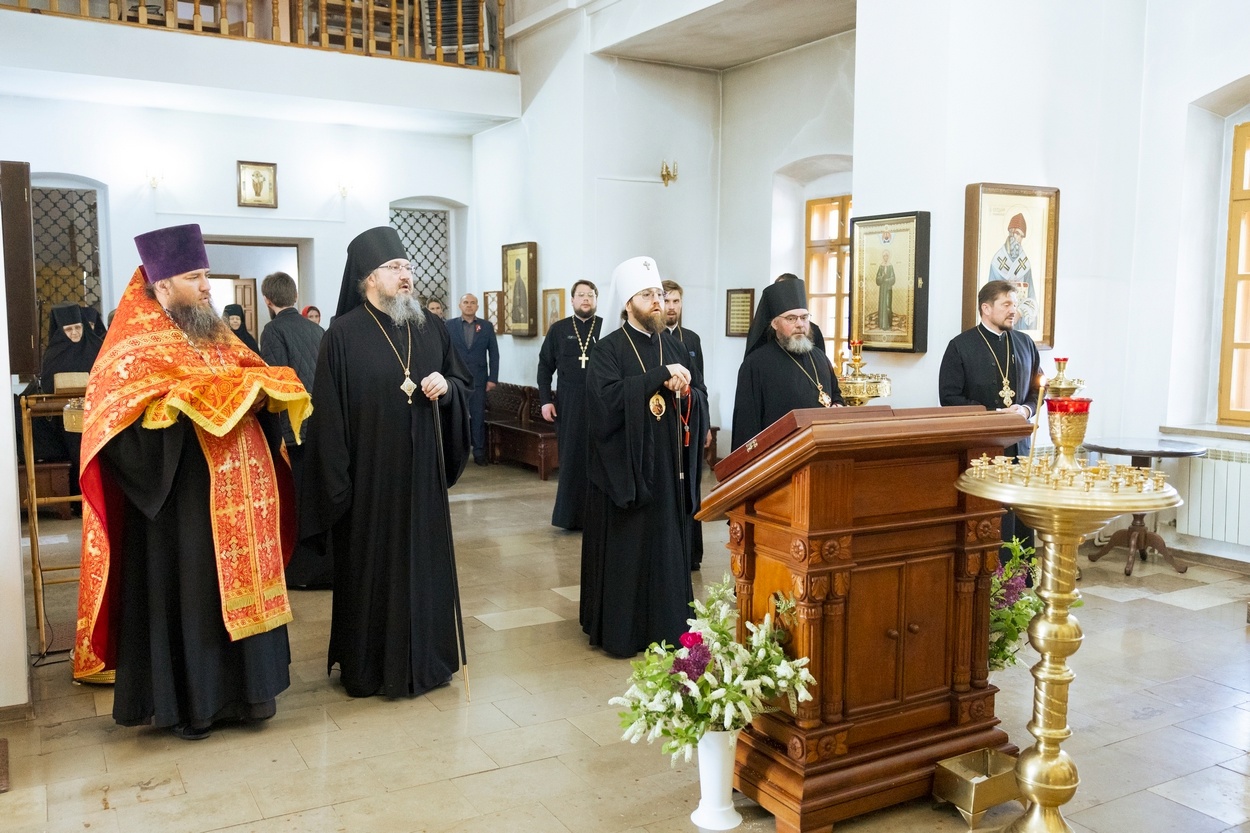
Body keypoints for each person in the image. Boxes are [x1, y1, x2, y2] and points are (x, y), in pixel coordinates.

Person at [72, 223, 311, 740]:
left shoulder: (214, 332)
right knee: (194, 596)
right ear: (162, 285)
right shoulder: (130, 348)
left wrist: (263, 396)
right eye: (194, 277)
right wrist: (179, 411)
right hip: (183, 503)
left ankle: (251, 697)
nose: (207, 286)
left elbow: (248, 375)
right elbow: (113, 425)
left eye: (206, 275)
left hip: (243, 494)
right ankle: (196, 705)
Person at [301, 226, 472, 698]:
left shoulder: (432, 328)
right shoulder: (341, 335)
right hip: (370, 486)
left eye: (408, 267)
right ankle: (369, 667)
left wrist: (448, 389)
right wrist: (339, 489)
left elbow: (462, 382)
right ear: (369, 278)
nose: (406, 275)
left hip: (423, 482)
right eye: (395, 268)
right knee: (373, 576)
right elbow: (328, 420)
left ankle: (430, 662)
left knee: (425, 571)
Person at [580, 256, 709, 658]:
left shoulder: (675, 345)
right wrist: (657, 377)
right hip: (627, 470)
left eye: (659, 294)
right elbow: (604, 403)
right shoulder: (608, 349)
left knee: (666, 548)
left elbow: (699, 398)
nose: (657, 302)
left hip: (667, 467)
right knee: (630, 550)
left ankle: (667, 625)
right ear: (627, 303)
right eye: (647, 295)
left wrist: (687, 394)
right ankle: (625, 631)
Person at [938, 279, 1042, 545]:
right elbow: (949, 398)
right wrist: (994, 414)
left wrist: (1026, 409)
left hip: (1020, 447)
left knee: (1020, 517)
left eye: (1015, 304)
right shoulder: (961, 346)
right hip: (981, 449)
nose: (1013, 310)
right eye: (1006, 304)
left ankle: (1021, 570)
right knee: (991, 519)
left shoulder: (1025, 343)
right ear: (986, 308)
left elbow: (1038, 390)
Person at [259, 271, 328, 589]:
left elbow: (278, 382)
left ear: (267, 300)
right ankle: (326, 565)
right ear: (296, 297)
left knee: (297, 497)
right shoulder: (317, 329)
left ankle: (302, 571)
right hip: (321, 423)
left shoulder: (273, 331)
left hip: (294, 428)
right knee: (319, 494)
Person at [731, 278, 844, 450]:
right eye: (791, 318)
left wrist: (838, 405)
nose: (800, 324)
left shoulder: (820, 356)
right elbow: (746, 424)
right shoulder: (756, 364)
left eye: (804, 317)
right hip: (779, 452)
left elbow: (835, 394)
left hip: (821, 448)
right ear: (775, 324)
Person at [536, 280, 603, 530]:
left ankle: (597, 517)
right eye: (581, 295)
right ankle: (569, 517)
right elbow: (545, 367)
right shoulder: (559, 329)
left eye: (590, 295)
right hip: (569, 402)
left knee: (598, 458)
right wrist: (545, 401)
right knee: (571, 458)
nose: (586, 299)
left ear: (596, 299)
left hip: (600, 401)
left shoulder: (606, 327)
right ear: (572, 300)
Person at [662, 279, 709, 570]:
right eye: (666, 301)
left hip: (689, 424)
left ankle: (690, 553)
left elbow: (701, 384)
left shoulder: (691, 339)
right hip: (663, 424)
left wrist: (705, 425)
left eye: (676, 301)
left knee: (690, 486)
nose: (671, 307)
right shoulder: (652, 339)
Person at [446, 293, 499, 466]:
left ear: (477, 306)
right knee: (456, 417)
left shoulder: (486, 326)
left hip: (479, 380)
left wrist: (492, 378)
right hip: (456, 378)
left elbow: (494, 354)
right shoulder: (449, 326)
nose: (469, 305)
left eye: (473, 303)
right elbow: (444, 351)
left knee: (477, 417)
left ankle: (479, 452)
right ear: (460, 305)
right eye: (466, 302)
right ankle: (455, 453)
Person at [986, 213, 1038, 328]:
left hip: (1019, 321)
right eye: (1017, 233)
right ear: (1010, 232)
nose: (1018, 238)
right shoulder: (997, 261)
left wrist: (1020, 312)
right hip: (1000, 318)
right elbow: (989, 296)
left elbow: (1032, 297)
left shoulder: (1025, 263)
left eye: (1021, 236)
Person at [875, 250, 897, 331]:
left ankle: (888, 325)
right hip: (882, 289)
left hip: (888, 289)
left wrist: (887, 280)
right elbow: (877, 279)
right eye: (884, 256)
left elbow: (893, 278)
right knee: (882, 305)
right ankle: (881, 325)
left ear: (888, 257)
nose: (885, 257)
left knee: (887, 306)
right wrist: (882, 278)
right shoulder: (881, 267)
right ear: (883, 257)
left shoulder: (890, 266)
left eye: (887, 256)